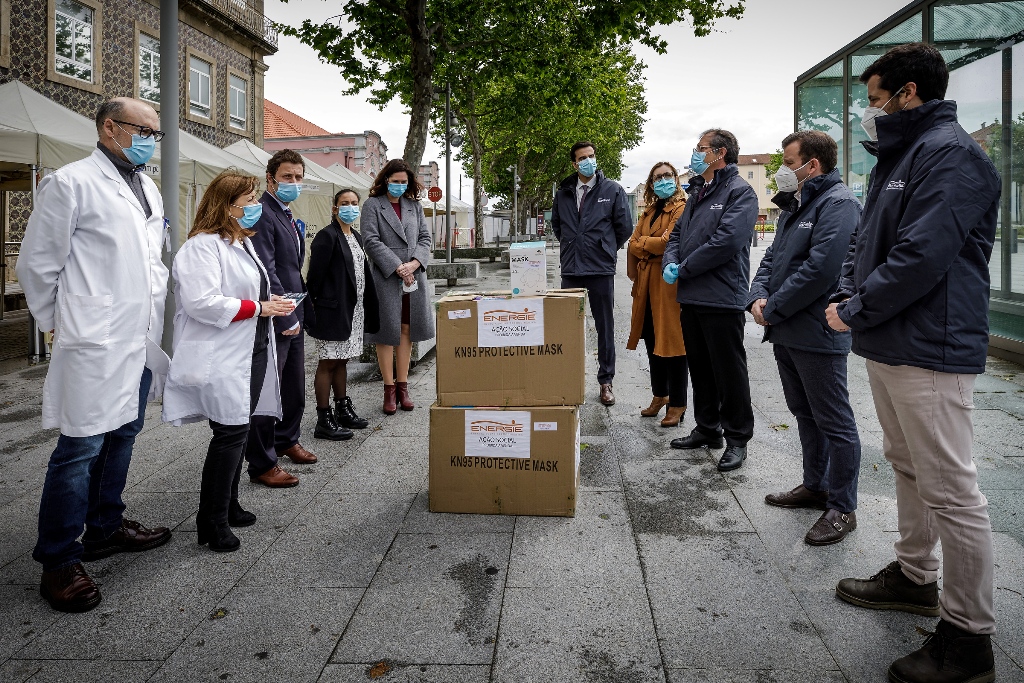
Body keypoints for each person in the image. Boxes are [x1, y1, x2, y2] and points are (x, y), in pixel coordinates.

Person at [825, 43, 1001, 683]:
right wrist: (849, 294)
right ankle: (914, 574)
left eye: (873, 99)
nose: (867, 113)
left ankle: (968, 636)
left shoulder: (951, 155)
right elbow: (867, 244)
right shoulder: (902, 156)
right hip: (891, 341)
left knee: (953, 490)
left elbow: (922, 257)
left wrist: (856, 307)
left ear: (908, 94)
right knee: (907, 466)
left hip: (930, 346)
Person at [17, 98, 173, 612]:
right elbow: (37, 265)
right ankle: (58, 559)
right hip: (93, 336)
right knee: (79, 447)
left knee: (124, 432)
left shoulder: (146, 187)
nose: (153, 138)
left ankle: (104, 525)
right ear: (110, 128)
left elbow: (151, 259)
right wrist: (60, 325)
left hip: (137, 335)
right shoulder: (70, 183)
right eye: (145, 129)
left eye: (157, 132)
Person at [163, 171, 294, 552]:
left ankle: (230, 504)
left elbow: (258, 287)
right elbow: (201, 303)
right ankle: (211, 521)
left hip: (250, 349)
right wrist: (259, 307)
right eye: (248, 202)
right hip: (221, 353)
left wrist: (273, 306)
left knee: (240, 427)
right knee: (230, 434)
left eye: (255, 200)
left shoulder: (239, 243)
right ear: (226, 206)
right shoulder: (201, 247)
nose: (256, 208)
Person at [747, 131, 862, 546]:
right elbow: (772, 259)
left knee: (835, 421)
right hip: (787, 332)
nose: (781, 169)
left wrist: (771, 308)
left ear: (812, 165)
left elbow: (822, 270)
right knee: (805, 413)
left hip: (817, 333)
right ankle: (816, 485)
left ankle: (843, 506)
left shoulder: (839, 204)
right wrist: (756, 297)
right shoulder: (796, 206)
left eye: (787, 160)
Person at [663, 129, 757, 471]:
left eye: (701, 149)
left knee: (729, 371)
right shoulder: (699, 191)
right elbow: (677, 233)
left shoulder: (739, 192)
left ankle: (737, 438)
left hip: (721, 296)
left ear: (719, 153)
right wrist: (672, 260)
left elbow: (726, 242)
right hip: (692, 296)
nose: (696, 153)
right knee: (700, 367)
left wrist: (684, 267)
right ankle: (707, 428)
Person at [245, 149, 317, 488]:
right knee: (267, 390)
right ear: (270, 178)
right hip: (277, 313)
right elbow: (267, 268)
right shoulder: (261, 213)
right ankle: (261, 461)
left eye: (299, 177)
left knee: (293, 385)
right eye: (288, 177)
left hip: (294, 308)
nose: (294, 183)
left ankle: (286, 437)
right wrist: (285, 314)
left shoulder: (285, 212)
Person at [551, 141, 633, 406]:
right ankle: (567, 379)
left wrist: (606, 247)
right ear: (574, 164)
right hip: (572, 269)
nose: (589, 161)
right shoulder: (563, 192)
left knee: (604, 326)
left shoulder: (613, 190)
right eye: (582, 158)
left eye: (591, 156)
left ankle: (606, 381)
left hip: (600, 268)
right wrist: (572, 246)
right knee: (566, 326)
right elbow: (558, 226)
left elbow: (625, 227)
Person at [360, 159, 433, 414]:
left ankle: (403, 386)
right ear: (385, 180)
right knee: (386, 332)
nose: (400, 186)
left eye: (404, 182)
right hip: (386, 276)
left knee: (406, 328)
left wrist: (413, 264)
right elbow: (370, 240)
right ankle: (388, 388)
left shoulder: (414, 206)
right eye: (395, 181)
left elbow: (425, 238)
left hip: (413, 276)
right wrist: (397, 266)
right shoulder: (372, 205)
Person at [306, 189, 381, 437]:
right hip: (332, 311)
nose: (350, 207)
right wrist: (315, 308)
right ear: (335, 208)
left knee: (343, 360)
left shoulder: (356, 236)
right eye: (344, 203)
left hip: (353, 310)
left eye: (354, 203)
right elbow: (314, 278)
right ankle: (323, 419)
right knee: (328, 362)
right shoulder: (327, 237)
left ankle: (342, 408)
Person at [626, 161, 688, 427]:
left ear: (675, 178)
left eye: (667, 175)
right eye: (657, 177)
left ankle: (678, 403)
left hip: (667, 283)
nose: (663, 180)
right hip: (646, 282)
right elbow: (632, 243)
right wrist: (645, 245)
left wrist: (644, 245)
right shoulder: (649, 211)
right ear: (651, 184)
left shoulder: (682, 208)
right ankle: (659, 395)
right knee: (651, 339)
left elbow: (668, 244)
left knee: (673, 343)